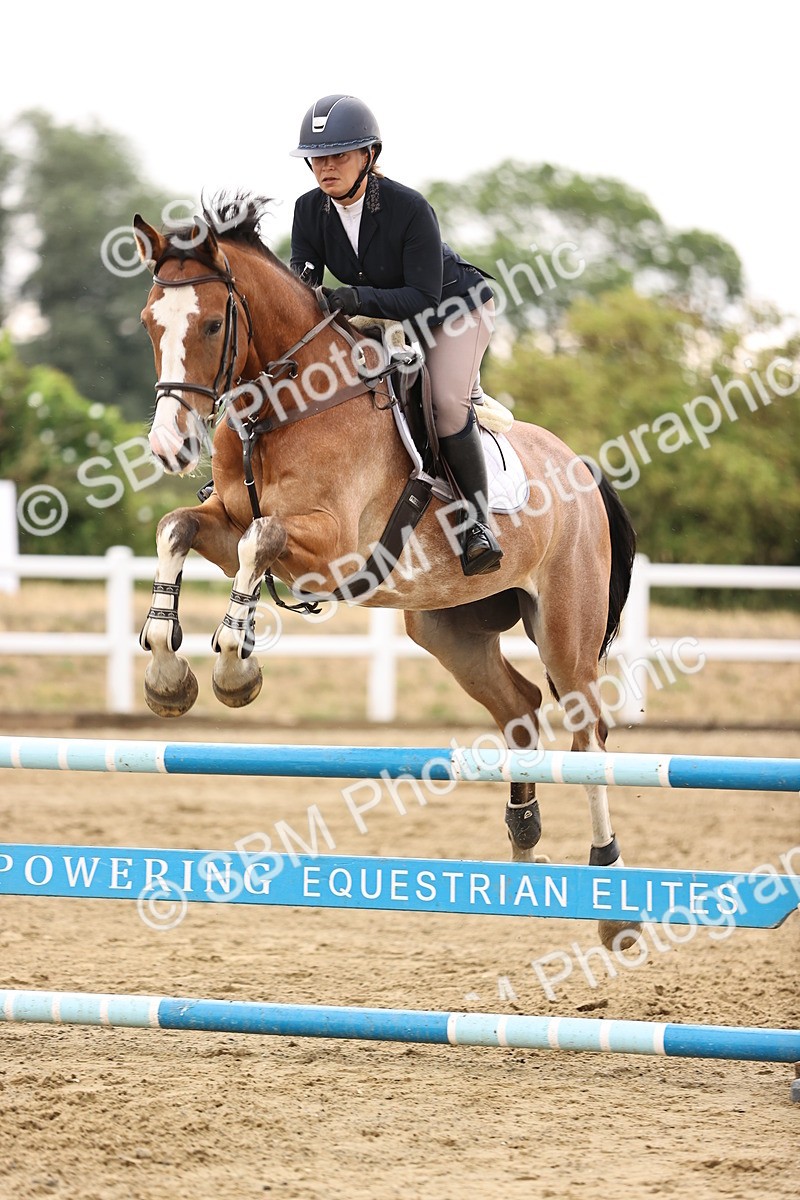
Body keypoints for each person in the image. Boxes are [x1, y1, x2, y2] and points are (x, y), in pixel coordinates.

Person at [289, 93, 503, 577]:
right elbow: (302, 281)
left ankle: (476, 525)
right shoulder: (308, 211)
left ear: (369, 156)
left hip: (453, 311)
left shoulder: (409, 207)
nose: (325, 167)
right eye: (317, 158)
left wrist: (356, 299)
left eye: (339, 155)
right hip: (386, 321)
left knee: (446, 405)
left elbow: (423, 298)